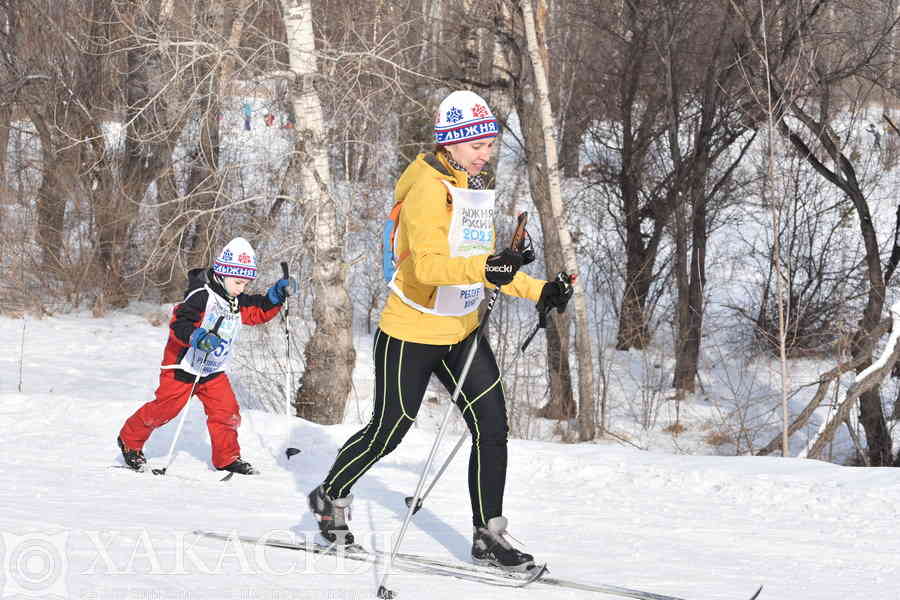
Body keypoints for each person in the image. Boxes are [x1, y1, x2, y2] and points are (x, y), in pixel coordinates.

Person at [306, 90, 574, 571]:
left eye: (490, 144)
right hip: (410, 331)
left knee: (492, 429)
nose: (486, 153)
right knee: (388, 432)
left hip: (461, 331)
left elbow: (480, 266)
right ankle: (331, 497)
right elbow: (430, 267)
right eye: (478, 145)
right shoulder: (428, 189)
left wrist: (539, 290)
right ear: (451, 143)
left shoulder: (468, 187)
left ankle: (488, 534)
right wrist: (488, 266)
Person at [117, 237, 298, 475]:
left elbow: (257, 312)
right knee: (165, 409)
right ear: (222, 275)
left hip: (212, 370)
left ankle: (226, 458)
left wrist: (276, 295)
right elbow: (179, 322)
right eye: (237, 282)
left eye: (245, 283)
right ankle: (130, 439)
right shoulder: (202, 295)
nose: (241, 288)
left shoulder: (235, 299)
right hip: (183, 366)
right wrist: (196, 337)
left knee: (227, 411)